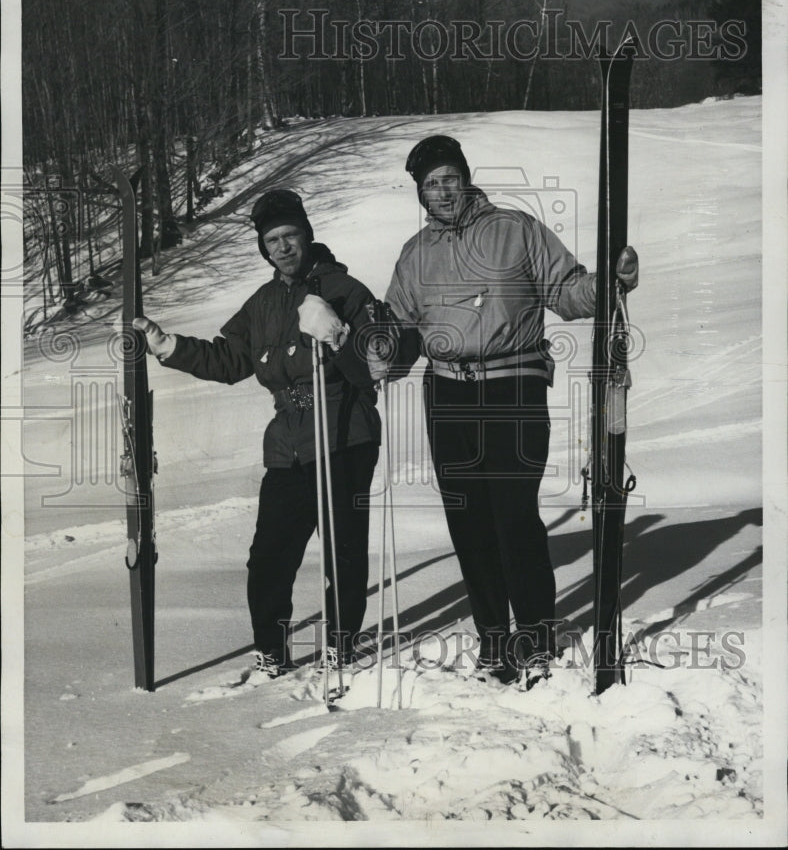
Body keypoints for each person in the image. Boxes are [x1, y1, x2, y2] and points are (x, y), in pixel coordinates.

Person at [367, 135, 639, 689]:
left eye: (448, 178)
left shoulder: (516, 230)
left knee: (512, 515)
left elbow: (566, 292)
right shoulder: (416, 254)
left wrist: (611, 282)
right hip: (447, 395)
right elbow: (400, 333)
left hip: (513, 384)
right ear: (420, 194)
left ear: (465, 178)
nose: (441, 191)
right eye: (429, 185)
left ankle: (536, 636)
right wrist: (381, 349)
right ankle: (494, 641)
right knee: (468, 522)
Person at [133, 189, 380, 679]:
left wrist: (340, 335)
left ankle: (341, 647)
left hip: (343, 436)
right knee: (269, 556)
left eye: (291, 236)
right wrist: (168, 345)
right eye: (272, 241)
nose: (283, 247)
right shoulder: (263, 303)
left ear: (307, 235)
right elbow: (229, 361)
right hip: (287, 445)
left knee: (342, 550)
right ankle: (271, 650)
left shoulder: (345, 290)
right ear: (264, 248)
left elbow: (376, 367)